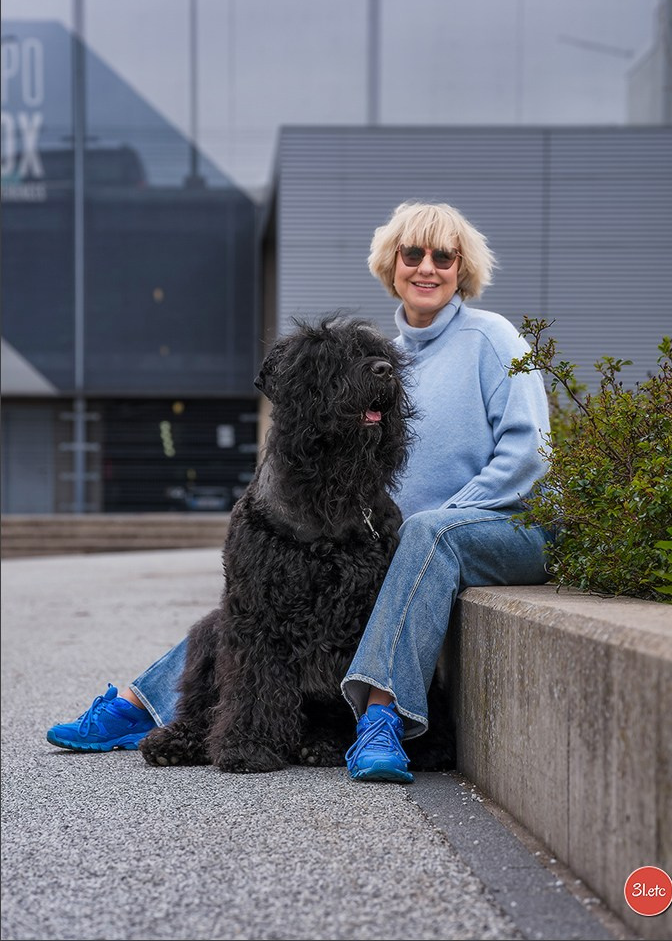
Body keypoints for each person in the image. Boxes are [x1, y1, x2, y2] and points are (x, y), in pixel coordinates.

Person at [47, 201, 552, 783]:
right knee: (249, 612)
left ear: (463, 268)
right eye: (413, 254)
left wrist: (436, 520)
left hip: (493, 525)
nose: (427, 267)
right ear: (392, 264)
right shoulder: (378, 358)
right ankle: (140, 705)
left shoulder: (494, 337)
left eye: (445, 256)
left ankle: (382, 722)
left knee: (408, 543)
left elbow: (529, 457)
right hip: (411, 537)